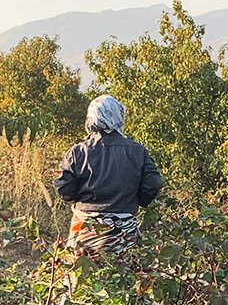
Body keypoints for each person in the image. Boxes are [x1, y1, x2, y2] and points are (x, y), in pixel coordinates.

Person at [54, 95, 163, 256]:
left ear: (91, 119)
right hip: (124, 232)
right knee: (127, 277)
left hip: (85, 231)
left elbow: (64, 189)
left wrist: (81, 198)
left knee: (80, 277)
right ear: (118, 117)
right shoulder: (138, 151)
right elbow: (153, 183)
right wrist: (138, 201)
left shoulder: (78, 152)